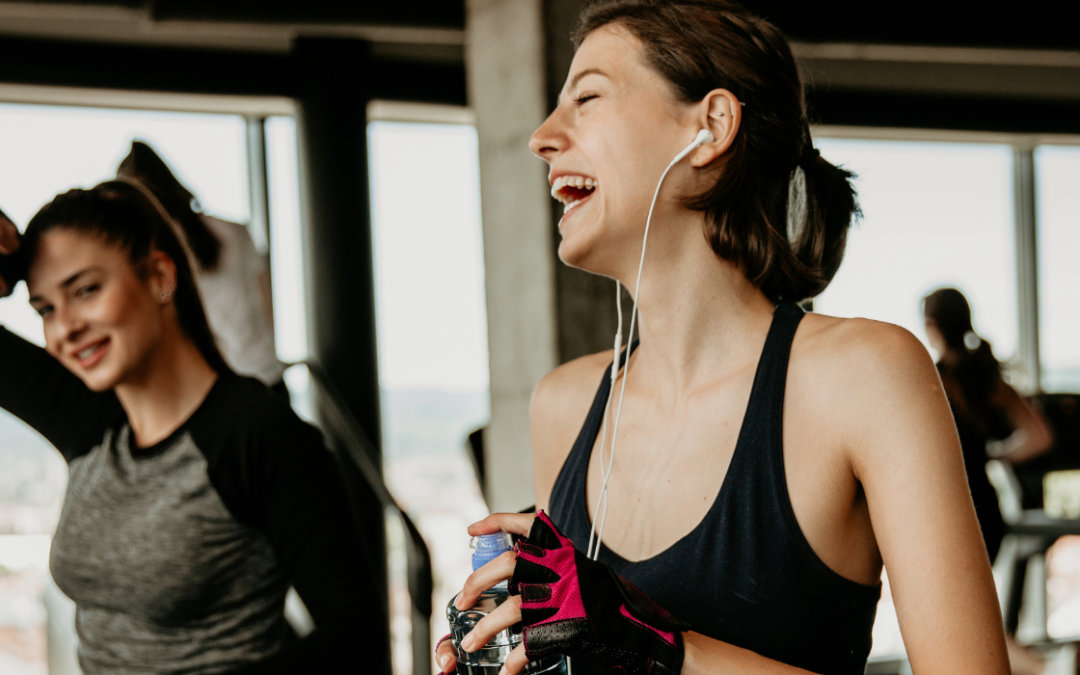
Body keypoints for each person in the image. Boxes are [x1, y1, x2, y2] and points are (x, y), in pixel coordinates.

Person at [438, 1, 1010, 674]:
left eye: (587, 96)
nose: (541, 136)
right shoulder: (562, 405)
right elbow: (579, 650)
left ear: (709, 128)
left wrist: (661, 646)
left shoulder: (864, 375)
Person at [0, 181, 382, 674]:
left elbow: (357, 638)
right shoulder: (89, 418)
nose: (64, 328)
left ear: (159, 274)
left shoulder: (257, 434)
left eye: (87, 290)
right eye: (46, 309)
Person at [923, 287, 1052, 675]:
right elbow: (1040, 436)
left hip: (953, 512)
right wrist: (991, 455)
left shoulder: (933, 381)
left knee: (950, 624)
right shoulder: (985, 377)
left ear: (932, 327)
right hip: (987, 508)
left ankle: (1051, 667)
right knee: (956, 619)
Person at [117, 141, 288, 397]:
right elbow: (266, 303)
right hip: (267, 373)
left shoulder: (157, 250)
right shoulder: (234, 230)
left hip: (220, 387)